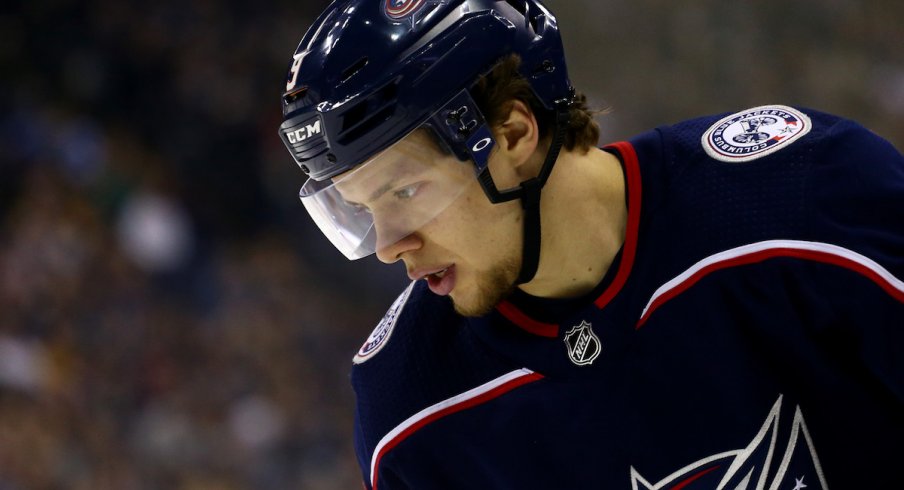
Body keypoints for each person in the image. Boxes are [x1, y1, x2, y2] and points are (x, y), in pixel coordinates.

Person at [278, 0, 904, 488]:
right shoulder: (410, 408)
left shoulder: (799, 197)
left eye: (405, 193)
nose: (388, 246)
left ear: (515, 133)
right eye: (360, 211)